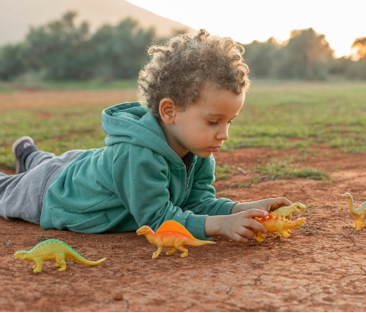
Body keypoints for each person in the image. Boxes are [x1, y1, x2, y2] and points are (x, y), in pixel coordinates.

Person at [0, 29, 291, 243]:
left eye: (230, 121)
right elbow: (156, 219)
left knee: (49, 163)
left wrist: (244, 209)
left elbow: (198, 205)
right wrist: (219, 225)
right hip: (53, 193)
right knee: (10, 189)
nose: (224, 134)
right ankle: (30, 160)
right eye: (214, 121)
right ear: (169, 111)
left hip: (86, 166)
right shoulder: (138, 155)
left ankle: (28, 154)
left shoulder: (199, 150)